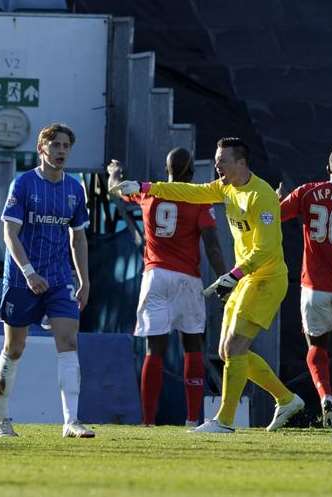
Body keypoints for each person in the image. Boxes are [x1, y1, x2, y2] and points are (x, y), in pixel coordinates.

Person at [112, 137, 304, 433]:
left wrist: (235, 274)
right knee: (229, 352)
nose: (217, 165)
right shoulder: (224, 187)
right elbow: (189, 192)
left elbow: (266, 249)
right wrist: (147, 187)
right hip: (246, 278)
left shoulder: (261, 195)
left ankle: (224, 422)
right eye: (216, 160)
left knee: (234, 345)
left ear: (241, 163)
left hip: (266, 279)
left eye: (223, 161)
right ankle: (287, 399)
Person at [107, 149, 227, 427]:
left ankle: (148, 421)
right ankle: (191, 419)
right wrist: (224, 278)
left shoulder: (150, 192)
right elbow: (212, 244)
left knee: (154, 349)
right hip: (187, 278)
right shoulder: (199, 198)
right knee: (192, 345)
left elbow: (115, 190)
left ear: (166, 168)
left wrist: (114, 173)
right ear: (192, 174)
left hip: (156, 275)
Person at [0, 123, 93, 438]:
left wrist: (84, 280)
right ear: (42, 149)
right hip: (23, 278)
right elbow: (10, 233)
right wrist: (29, 272)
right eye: (56, 145)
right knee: (15, 346)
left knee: (69, 342)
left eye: (66, 146)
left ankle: (71, 421)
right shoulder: (22, 184)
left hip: (60, 278)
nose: (61, 151)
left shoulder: (75, 189)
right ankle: (1, 416)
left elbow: (78, 239)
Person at [278, 146, 332, 428]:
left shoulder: (307, 191)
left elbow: (276, 216)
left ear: (327, 169)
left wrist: (276, 198)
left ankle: (325, 395)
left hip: (313, 287)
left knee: (317, 344)